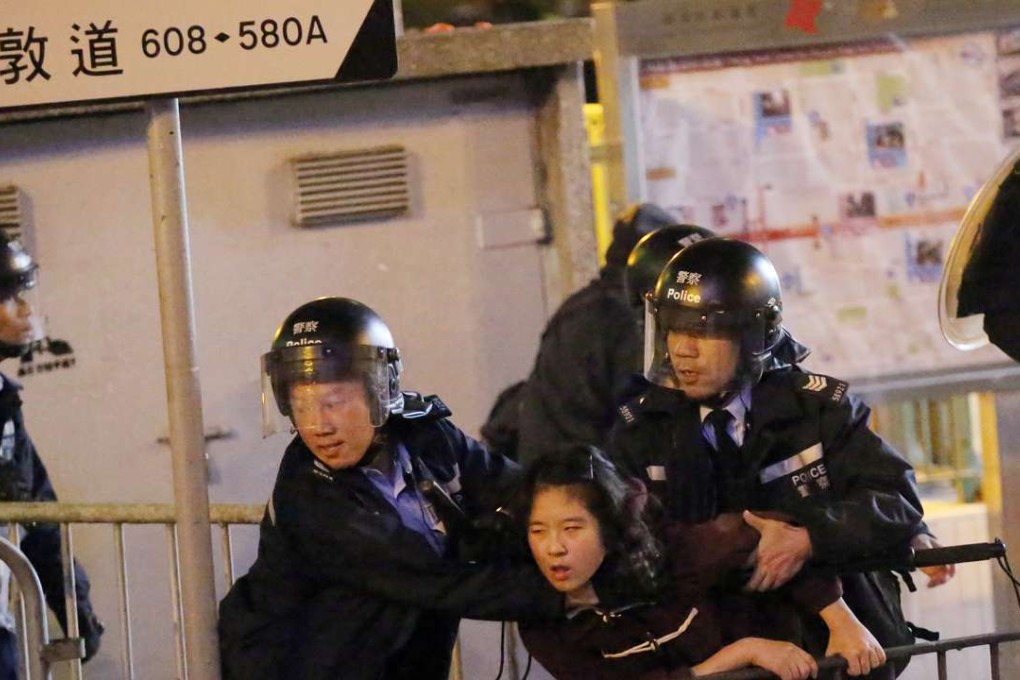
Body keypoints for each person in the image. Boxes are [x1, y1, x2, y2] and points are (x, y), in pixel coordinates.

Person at [607, 238, 953, 678]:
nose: (683, 349)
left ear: (754, 335)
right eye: (673, 330)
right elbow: (637, 541)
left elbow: (895, 497)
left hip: (837, 655)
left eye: (704, 331)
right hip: (722, 656)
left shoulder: (816, 410)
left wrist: (810, 536)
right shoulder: (642, 431)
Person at [218, 297, 562, 680]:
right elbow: (436, 579)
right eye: (302, 407)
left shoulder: (425, 434)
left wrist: (589, 526)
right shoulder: (309, 496)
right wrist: (572, 592)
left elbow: (517, 489)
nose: (319, 426)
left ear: (379, 389)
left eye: (335, 403)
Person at [518, 446, 887, 679]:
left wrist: (841, 621)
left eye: (572, 528)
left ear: (609, 527)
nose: (554, 548)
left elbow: (770, 537)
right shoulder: (542, 622)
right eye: (538, 530)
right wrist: (746, 651)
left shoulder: (668, 551)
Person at [485, 205, 713, 465]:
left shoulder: (582, 305)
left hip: (557, 472)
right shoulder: (629, 318)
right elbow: (645, 421)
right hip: (585, 476)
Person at [0, 235, 104, 676]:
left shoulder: (4, 400)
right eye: (9, 296)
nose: (26, 310)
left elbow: (36, 505)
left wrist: (73, 603)